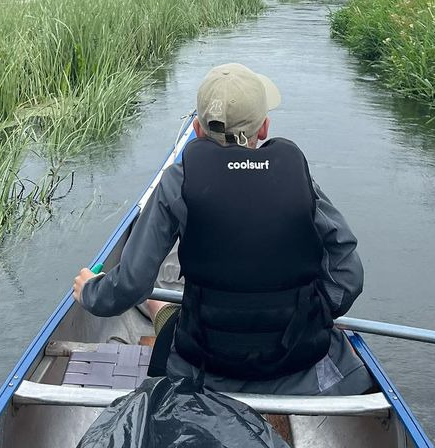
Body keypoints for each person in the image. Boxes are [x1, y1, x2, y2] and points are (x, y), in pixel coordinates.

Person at [73, 63, 372, 395]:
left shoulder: (178, 181)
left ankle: (163, 314)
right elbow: (348, 278)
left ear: (198, 131)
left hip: (205, 368)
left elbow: (131, 284)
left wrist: (91, 292)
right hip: (299, 365)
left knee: (167, 327)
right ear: (265, 128)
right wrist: (315, 312)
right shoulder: (298, 179)